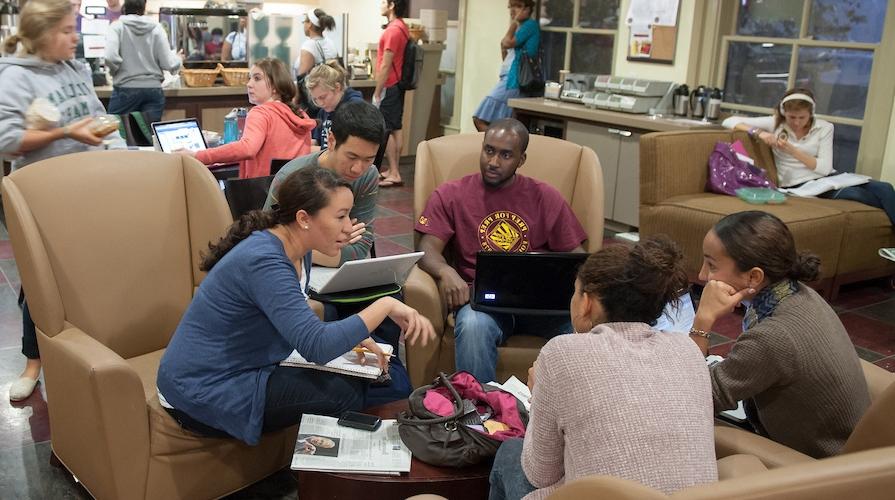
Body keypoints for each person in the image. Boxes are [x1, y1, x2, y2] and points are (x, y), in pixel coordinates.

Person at [156, 166, 435, 445]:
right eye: (340, 216)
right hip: (201, 389)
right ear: (303, 218)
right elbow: (317, 346)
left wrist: (356, 337)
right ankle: (323, 474)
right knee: (342, 392)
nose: (350, 227)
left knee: (366, 378)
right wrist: (384, 305)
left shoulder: (296, 249)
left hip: (242, 366)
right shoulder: (265, 261)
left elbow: (297, 321)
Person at [489, 236, 717, 500]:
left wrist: (541, 393)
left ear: (588, 302)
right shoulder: (688, 349)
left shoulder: (562, 353)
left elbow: (539, 475)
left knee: (509, 453)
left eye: (575, 291)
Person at [415, 118, 587, 383]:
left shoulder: (546, 197)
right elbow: (427, 247)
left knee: (585, 330)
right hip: (484, 304)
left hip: (542, 306)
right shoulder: (451, 194)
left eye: (506, 155)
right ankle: (478, 412)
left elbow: (577, 257)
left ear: (521, 159)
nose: (493, 162)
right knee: (472, 326)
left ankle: (567, 415)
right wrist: (445, 271)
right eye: (489, 150)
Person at [689, 211, 870, 458]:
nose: (701, 275)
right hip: (850, 447)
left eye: (711, 265)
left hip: (821, 466)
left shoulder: (772, 337)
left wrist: (703, 320)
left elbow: (691, 397)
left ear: (754, 276)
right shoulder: (799, 294)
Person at [0, 0, 111, 402]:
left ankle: (84, 357)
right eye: (66, 29)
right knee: (41, 282)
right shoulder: (14, 77)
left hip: (88, 191)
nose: (74, 36)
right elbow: (7, 141)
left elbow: (97, 116)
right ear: (44, 34)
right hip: (44, 197)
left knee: (82, 276)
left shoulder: (72, 68)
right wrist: (66, 133)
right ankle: (34, 362)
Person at [722, 87, 895, 227]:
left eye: (802, 117)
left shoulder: (824, 127)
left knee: (885, 188)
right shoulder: (775, 123)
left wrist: (792, 150)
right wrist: (759, 133)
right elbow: (729, 121)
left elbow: (824, 168)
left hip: (828, 177)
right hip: (799, 184)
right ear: (784, 113)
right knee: (858, 195)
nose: (796, 122)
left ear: (810, 113)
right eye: (791, 117)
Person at [180, 58, 316, 179]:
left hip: (263, 196)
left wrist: (197, 155)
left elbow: (247, 148)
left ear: (275, 86)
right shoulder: (300, 115)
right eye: (249, 78)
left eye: (257, 78)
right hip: (295, 194)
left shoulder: (261, 113)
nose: (249, 84)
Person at [105, 0, 182, 124]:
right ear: (144, 7)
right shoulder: (157, 28)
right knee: (148, 138)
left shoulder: (117, 26)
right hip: (153, 90)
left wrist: (116, 72)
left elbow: (110, 57)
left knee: (117, 135)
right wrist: (179, 60)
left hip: (125, 88)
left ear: (125, 6)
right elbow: (169, 63)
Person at [473, 0, 539, 132]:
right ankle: (500, 145)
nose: (513, 10)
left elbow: (507, 43)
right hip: (508, 78)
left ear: (527, 9)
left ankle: (497, 144)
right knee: (505, 126)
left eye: (518, 6)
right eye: (511, 7)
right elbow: (505, 51)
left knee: (480, 119)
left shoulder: (530, 25)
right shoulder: (521, 27)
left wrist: (514, 23)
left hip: (514, 81)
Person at [374, 0, 409, 188]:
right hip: (398, 85)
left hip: (389, 85)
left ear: (392, 5)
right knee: (396, 128)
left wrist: (377, 92)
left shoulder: (392, 31)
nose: (380, 5)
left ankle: (394, 172)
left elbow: (385, 64)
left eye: (383, 2)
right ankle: (393, 170)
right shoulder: (402, 27)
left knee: (387, 128)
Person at [305, 61, 364, 151]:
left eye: (323, 97)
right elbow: (316, 141)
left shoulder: (355, 108)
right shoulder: (324, 111)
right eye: (315, 99)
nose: (320, 103)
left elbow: (345, 150)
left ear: (337, 87)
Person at [293, 8, 338, 79]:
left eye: (304, 21)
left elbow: (302, 80)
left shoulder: (309, 46)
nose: (303, 24)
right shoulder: (330, 43)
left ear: (309, 24)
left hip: (317, 89)